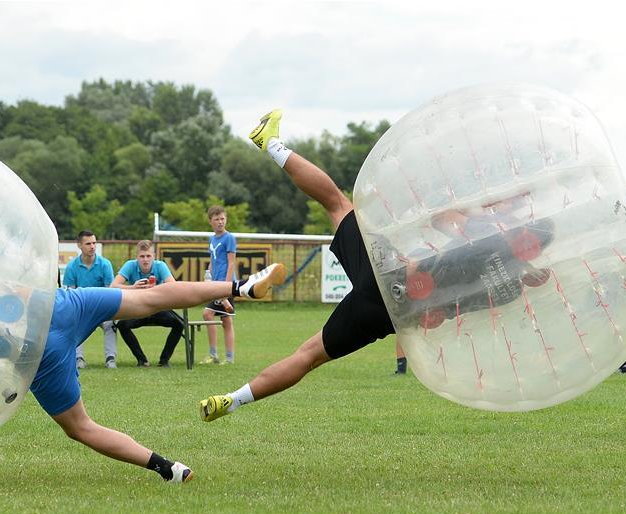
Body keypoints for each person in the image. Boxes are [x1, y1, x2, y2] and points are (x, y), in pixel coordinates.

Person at [200, 109, 552, 422]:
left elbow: (443, 222)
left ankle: (272, 143)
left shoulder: (484, 235)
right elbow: (445, 315)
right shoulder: (510, 288)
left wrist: (490, 209)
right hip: (391, 314)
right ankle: (232, 401)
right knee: (308, 356)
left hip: (390, 274)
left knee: (336, 203)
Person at [31, 262, 285, 482]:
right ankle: (240, 286)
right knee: (152, 297)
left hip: (33, 345)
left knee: (81, 427)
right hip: (62, 304)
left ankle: (168, 469)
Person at [111, 240, 184, 367]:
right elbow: (113, 286)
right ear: (136, 257)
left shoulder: (160, 266)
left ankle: (164, 360)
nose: (145, 260)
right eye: (142, 256)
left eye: (148, 256)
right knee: (122, 325)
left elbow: (173, 286)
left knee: (180, 324)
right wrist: (134, 287)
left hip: (157, 308)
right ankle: (142, 360)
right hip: (138, 308)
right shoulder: (130, 265)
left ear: (154, 256)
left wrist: (157, 289)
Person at [62, 230, 117, 369]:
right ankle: (78, 359)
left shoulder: (105, 264)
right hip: (82, 308)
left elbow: (109, 292)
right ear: (79, 245)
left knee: (110, 325)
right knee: (74, 325)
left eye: (94, 243)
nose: (92, 246)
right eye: (88, 243)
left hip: (102, 307)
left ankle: (111, 359)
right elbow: (70, 295)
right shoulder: (71, 267)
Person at [201, 206, 237, 364]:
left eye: (222, 218)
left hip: (224, 284)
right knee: (221, 318)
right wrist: (208, 275)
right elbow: (213, 260)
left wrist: (226, 285)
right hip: (215, 283)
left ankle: (226, 357)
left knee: (218, 317)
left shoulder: (229, 238)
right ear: (210, 222)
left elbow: (231, 263)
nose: (220, 222)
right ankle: (215, 355)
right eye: (217, 219)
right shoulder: (212, 239)